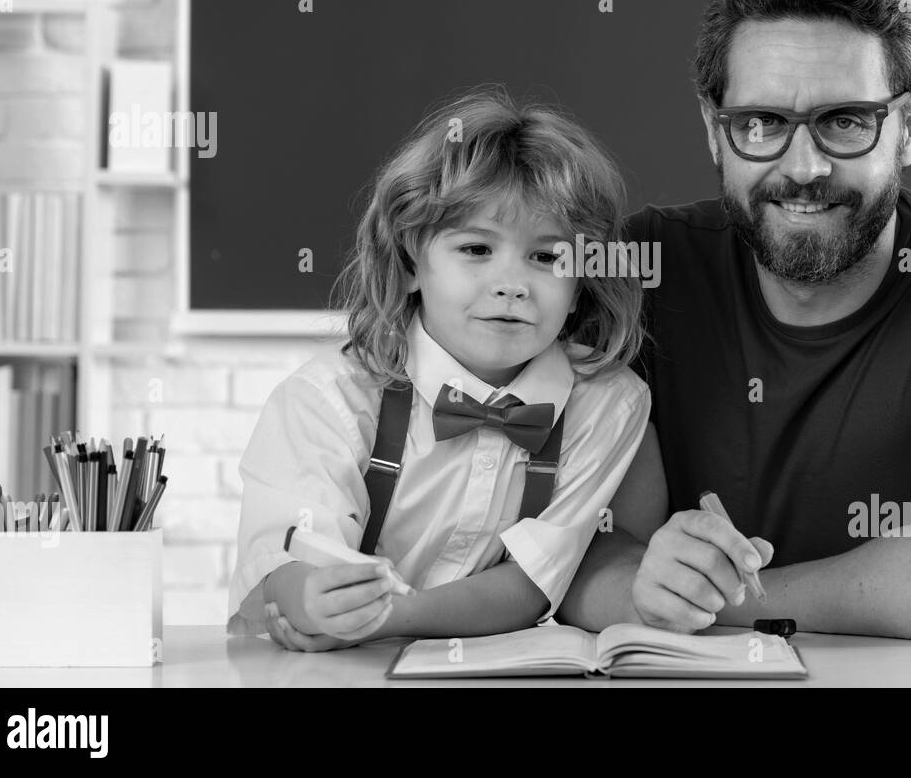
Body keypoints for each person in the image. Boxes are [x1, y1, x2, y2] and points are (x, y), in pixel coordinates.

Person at [559, 0, 911, 643]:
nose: (803, 166)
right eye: (762, 123)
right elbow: (578, 558)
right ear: (715, 131)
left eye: (844, 121)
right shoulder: (644, 265)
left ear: (909, 126)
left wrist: (701, 601)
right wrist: (641, 583)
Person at [226, 86, 650, 650]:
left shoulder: (607, 402)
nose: (511, 284)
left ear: (580, 287)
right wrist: (311, 601)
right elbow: (283, 559)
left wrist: (389, 619)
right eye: (476, 249)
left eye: (547, 257)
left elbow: (530, 584)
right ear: (409, 263)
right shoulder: (329, 399)